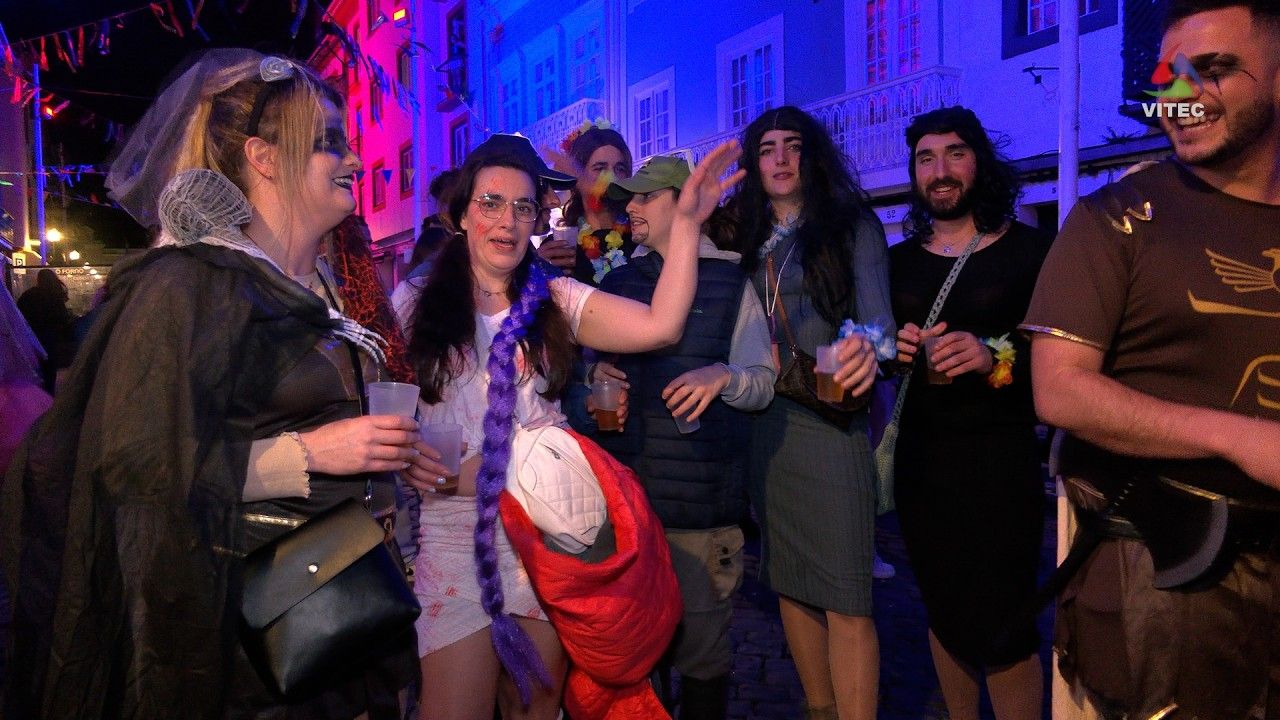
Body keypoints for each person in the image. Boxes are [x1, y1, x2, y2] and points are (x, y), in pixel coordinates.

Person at [1, 49, 442, 719]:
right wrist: (315, 453)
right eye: (329, 144)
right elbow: (135, 468)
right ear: (265, 157)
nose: (352, 161)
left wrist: (387, 453)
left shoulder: (306, 284)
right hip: (242, 644)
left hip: (333, 609)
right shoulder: (184, 285)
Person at [400, 134, 744, 719]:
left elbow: (660, 326)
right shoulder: (412, 302)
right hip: (454, 535)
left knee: (537, 708)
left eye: (523, 206)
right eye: (490, 203)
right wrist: (404, 454)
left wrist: (685, 226)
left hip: (545, 537)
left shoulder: (554, 297)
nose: (507, 220)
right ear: (461, 214)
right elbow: (374, 408)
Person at [1021, 1, 1280, 716]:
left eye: (1216, 69)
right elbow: (1060, 392)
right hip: (1174, 572)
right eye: (1170, 73)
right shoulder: (1115, 219)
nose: (1179, 94)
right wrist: (1239, 437)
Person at [586, 154, 775, 719]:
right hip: (628, 508)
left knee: (702, 659)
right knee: (634, 657)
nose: (632, 208)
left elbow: (763, 383)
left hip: (703, 510)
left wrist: (724, 377)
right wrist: (595, 376)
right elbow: (579, 379)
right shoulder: (617, 280)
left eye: (645, 197)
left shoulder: (728, 282)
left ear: (684, 201)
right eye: (630, 198)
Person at [890, 106, 1052, 720]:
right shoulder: (897, 260)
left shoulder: (1032, 251)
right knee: (945, 610)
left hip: (1000, 464)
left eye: (954, 153)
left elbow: (1059, 353)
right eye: (925, 158)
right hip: (924, 464)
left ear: (979, 161)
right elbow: (869, 345)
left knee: (1006, 623)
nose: (940, 170)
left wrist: (994, 356)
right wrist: (888, 349)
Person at [731, 105, 891, 720]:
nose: (779, 158)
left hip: (829, 419)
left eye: (792, 145)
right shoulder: (741, 234)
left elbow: (878, 322)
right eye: (767, 147)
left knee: (848, 594)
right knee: (790, 580)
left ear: (812, 155)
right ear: (753, 162)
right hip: (766, 424)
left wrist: (864, 349)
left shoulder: (851, 225)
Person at [552, 123, 635, 285]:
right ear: (577, 176)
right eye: (600, 168)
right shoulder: (562, 245)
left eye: (620, 169)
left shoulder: (642, 236)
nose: (612, 178)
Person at [16, 268, 76, 392]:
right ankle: (49, 394)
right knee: (50, 367)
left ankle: (38, 394)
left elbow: (19, 314)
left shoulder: (29, 295)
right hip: (52, 336)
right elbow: (62, 317)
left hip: (33, 335)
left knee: (37, 366)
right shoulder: (56, 295)